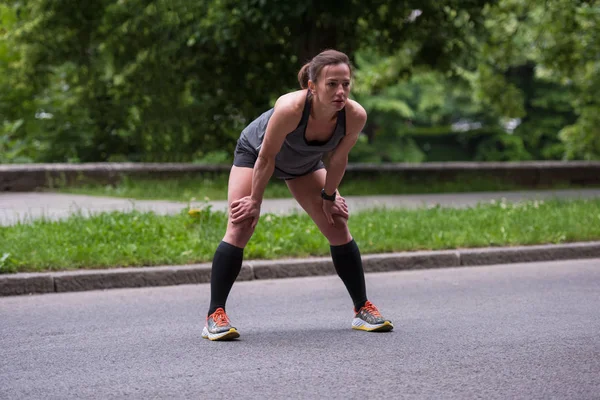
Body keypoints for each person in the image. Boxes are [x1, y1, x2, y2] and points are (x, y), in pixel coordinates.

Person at [202, 49, 393, 341]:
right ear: (312, 86)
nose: (340, 91)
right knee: (242, 223)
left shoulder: (354, 116)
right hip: (256, 154)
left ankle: (362, 308)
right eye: (332, 84)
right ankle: (215, 316)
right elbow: (266, 158)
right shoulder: (290, 108)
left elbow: (338, 160)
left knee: (337, 223)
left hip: (303, 163)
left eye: (346, 83)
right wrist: (255, 200)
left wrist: (329, 197)